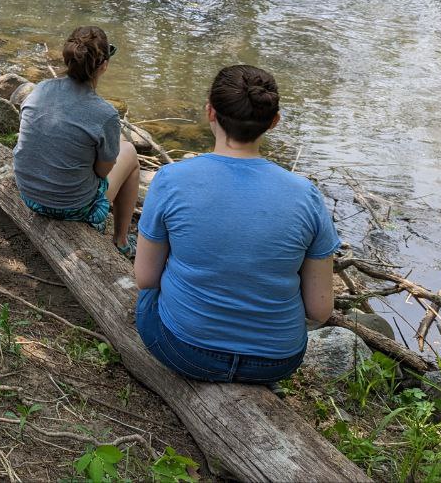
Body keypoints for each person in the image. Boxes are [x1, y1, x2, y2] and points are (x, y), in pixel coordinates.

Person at [134, 65, 338, 384]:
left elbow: (145, 278)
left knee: (148, 298)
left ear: (210, 113)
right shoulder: (306, 196)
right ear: (274, 121)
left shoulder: (171, 181)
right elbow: (319, 310)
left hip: (184, 351)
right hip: (275, 362)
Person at [13, 26, 141, 256]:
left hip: (29, 195)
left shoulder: (40, 89)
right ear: (104, 66)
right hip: (71, 209)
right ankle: (121, 241)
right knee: (129, 151)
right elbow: (102, 173)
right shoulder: (105, 114)